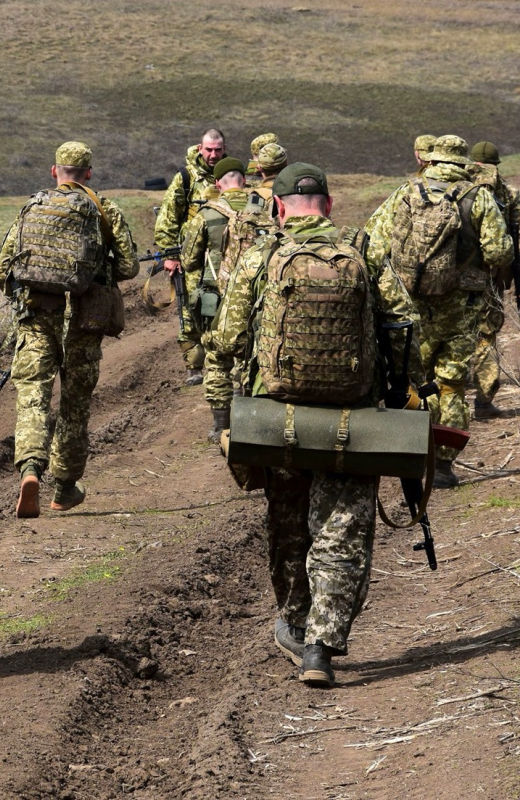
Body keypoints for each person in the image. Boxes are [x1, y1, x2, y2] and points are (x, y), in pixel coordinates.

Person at [209, 163, 420, 687]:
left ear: (279, 207)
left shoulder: (262, 254)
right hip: (352, 414)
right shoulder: (363, 250)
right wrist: (403, 391)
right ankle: (321, 648)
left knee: (287, 522)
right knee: (343, 528)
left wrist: (221, 414)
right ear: (328, 204)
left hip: (277, 420)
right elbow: (403, 322)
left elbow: (227, 337)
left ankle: (296, 621)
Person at [0, 141, 137, 517]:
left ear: (54, 171)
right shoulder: (105, 209)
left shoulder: (34, 206)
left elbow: (2, 268)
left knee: (33, 396)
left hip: (37, 316)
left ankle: (29, 470)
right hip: (86, 319)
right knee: (75, 404)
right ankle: (65, 487)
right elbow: (128, 267)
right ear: (88, 173)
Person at [366, 135, 513, 487]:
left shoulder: (406, 192)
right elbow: (499, 252)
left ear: (431, 160)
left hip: (412, 306)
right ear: (462, 163)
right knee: (451, 386)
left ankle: (416, 454)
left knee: (418, 382)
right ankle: (444, 465)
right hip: (461, 309)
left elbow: (373, 241)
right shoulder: (477, 197)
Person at [179, 156, 271, 441]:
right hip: (258, 296)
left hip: (218, 299)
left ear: (218, 183)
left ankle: (221, 425)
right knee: (253, 355)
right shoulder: (264, 209)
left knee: (217, 358)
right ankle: (250, 418)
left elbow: (190, 261)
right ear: (243, 180)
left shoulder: (207, 214)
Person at [154, 128, 227, 384]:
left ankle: (221, 365)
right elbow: (167, 219)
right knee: (190, 310)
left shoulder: (230, 174)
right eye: (209, 150)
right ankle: (194, 367)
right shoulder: (186, 178)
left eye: (218, 150)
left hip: (223, 256)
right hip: (190, 258)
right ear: (200, 148)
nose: (213, 155)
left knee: (221, 309)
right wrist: (170, 255)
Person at [466, 141, 520, 418]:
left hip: (452, 279)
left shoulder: (458, 187)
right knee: (486, 337)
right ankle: (484, 401)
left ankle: (441, 401)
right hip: (489, 279)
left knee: (450, 333)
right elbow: (514, 236)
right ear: (496, 164)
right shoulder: (508, 193)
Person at [248, 142, 287, 211]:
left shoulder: (258, 196)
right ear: (285, 164)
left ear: (259, 167)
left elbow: (250, 218)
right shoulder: (297, 189)